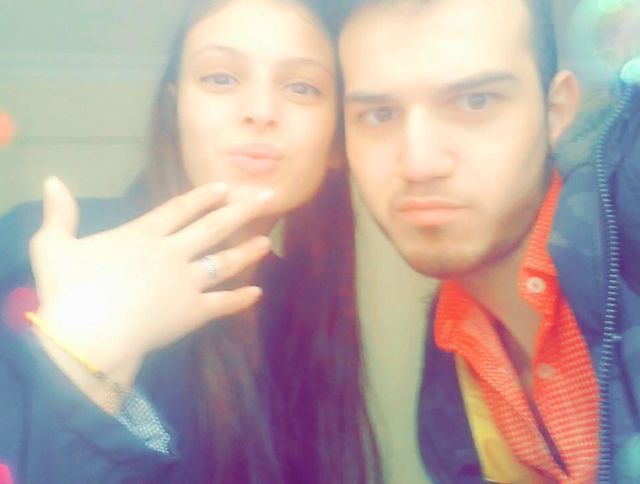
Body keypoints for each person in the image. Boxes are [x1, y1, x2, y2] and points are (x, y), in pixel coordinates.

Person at [0, 0, 379, 482]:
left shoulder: (300, 304)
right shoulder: (45, 247)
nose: (260, 111)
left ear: (337, 145)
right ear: (174, 111)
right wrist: (78, 368)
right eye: (220, 78)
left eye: (301, 87)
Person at [336, 0, 640, 481]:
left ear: (555, 111)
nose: (419, 164)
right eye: (378, 115)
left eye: (475, 102)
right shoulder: (448, 361)